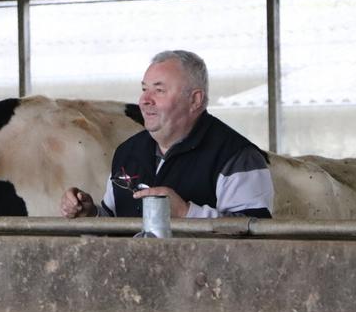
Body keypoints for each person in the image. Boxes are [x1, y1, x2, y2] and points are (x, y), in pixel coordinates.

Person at [60, 50, 274, 219]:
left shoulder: (236, 157)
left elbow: (255, 236)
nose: (144, 100)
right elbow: (115, 224)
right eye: (144, 89)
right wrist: (91, 214)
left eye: (159, 90)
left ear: (195, 100)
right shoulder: (127, 152)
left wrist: (185, 213)